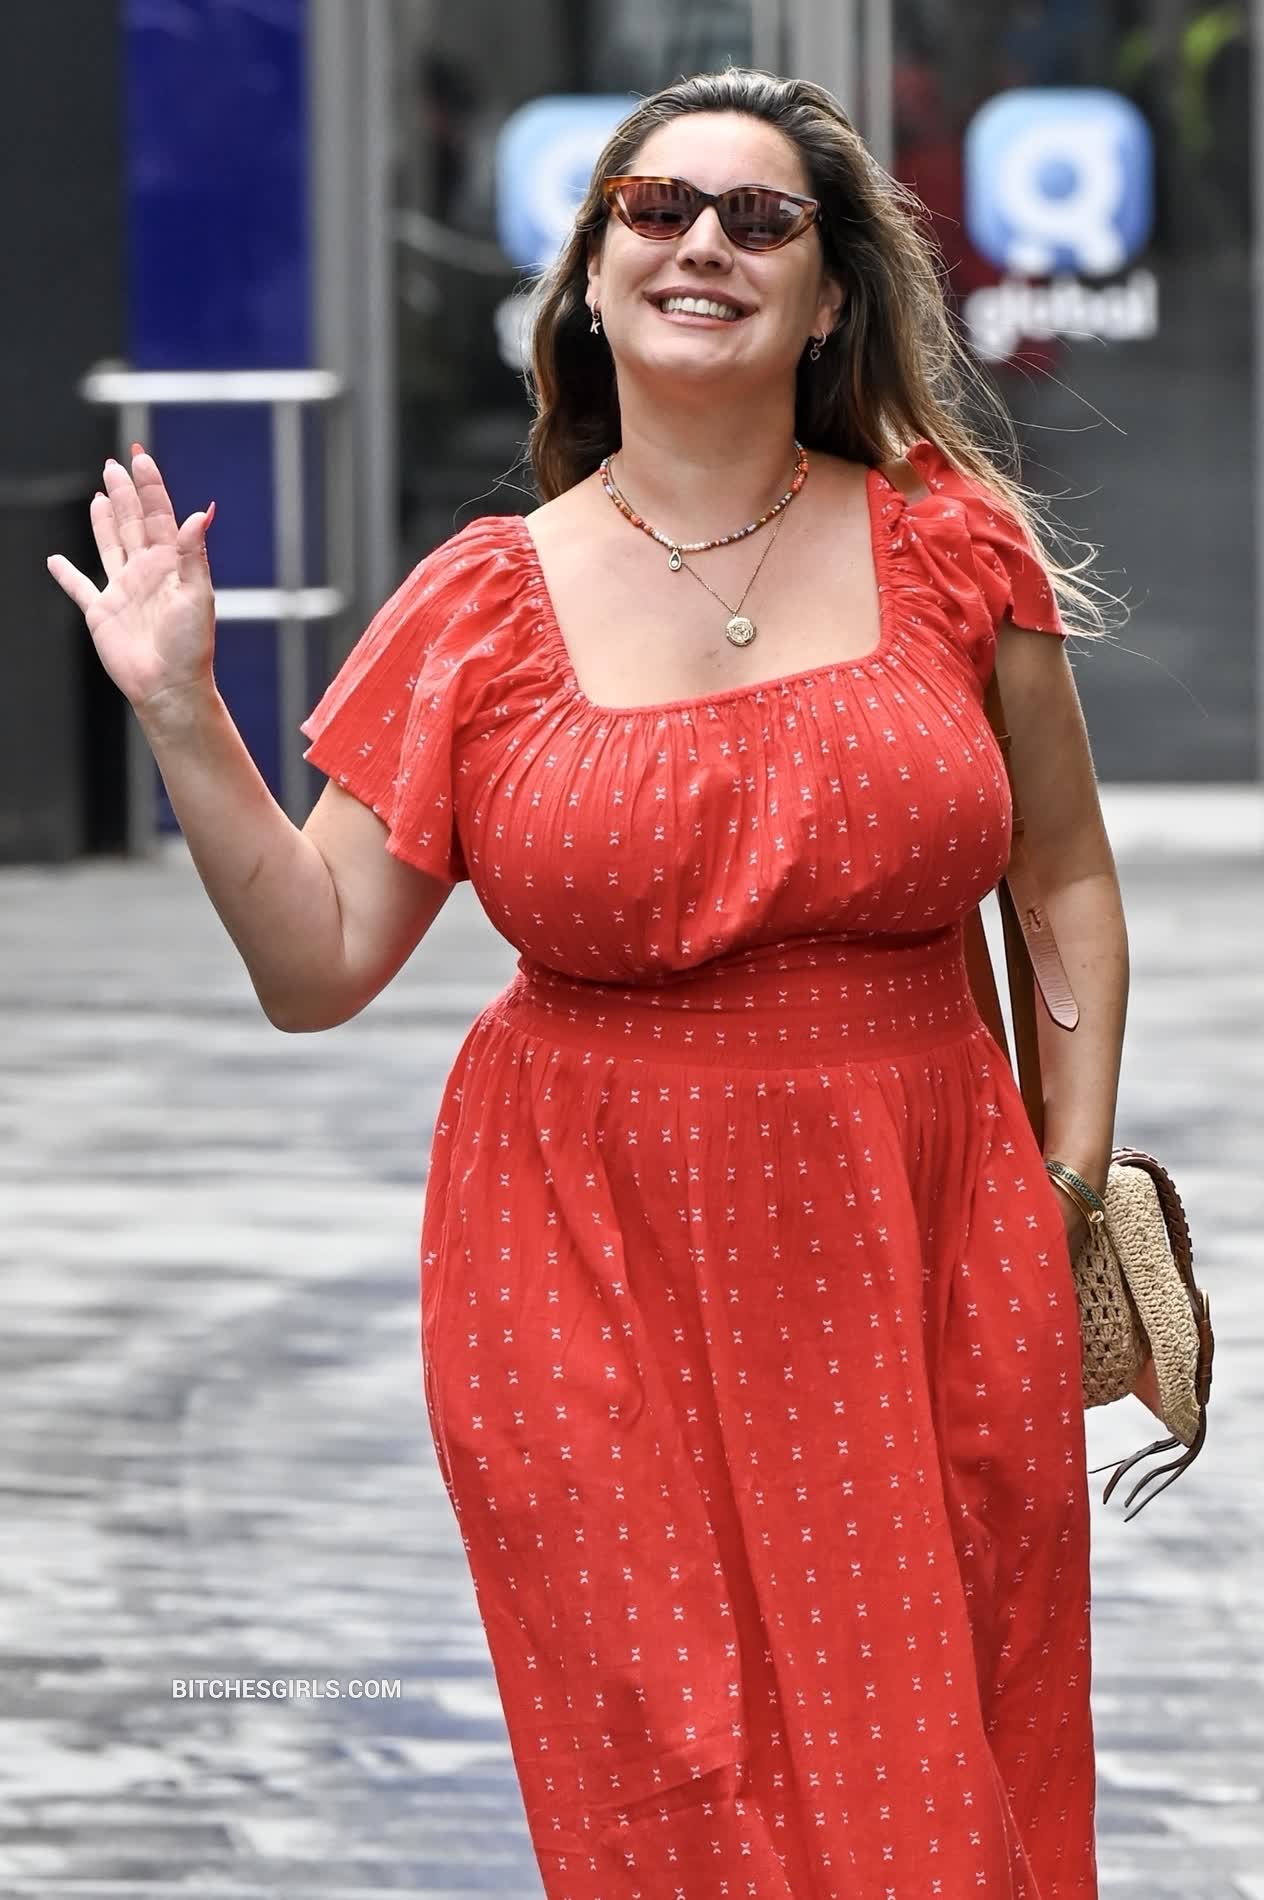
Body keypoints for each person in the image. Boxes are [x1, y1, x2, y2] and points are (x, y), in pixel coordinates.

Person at [46, 64, 1133, 1900]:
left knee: (942, 1771)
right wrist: (180, 713)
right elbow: (317, 963)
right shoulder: (481, 603)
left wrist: (1066, 1191)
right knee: (676, 1774)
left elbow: (1067, 883)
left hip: (925, 1237)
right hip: (589, 1269)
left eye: (760, 217)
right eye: (656, 208)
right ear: (592, 273)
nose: (703, 243)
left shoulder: (954, 547)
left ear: (830, 297)